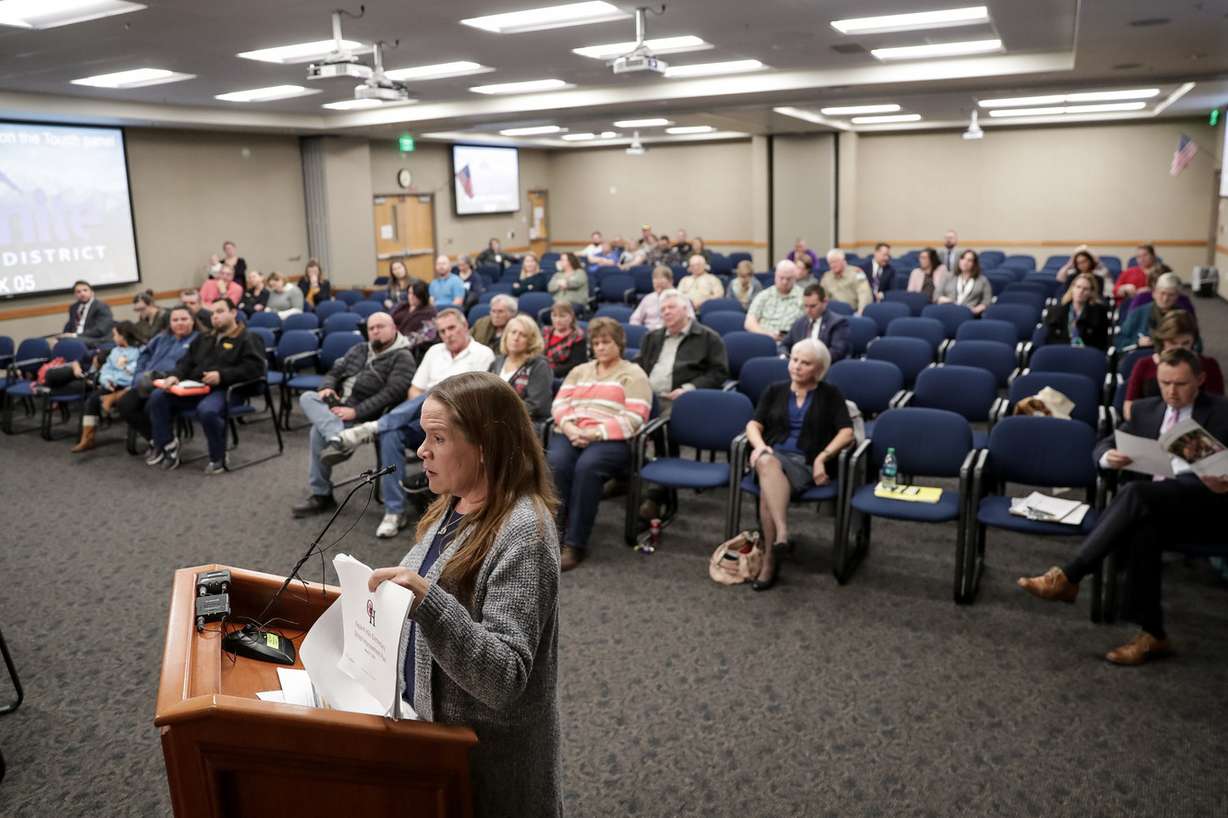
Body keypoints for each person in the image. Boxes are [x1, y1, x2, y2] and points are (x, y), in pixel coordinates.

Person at [365, 371, 562, 818]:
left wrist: (428, 602)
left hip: (487, 760)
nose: (421, 451)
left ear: (484, 446)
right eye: (423, 436)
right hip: (433, 737)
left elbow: (505, 677)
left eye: (438, 437)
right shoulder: (456, 500)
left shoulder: (524, 533)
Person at [1017, 348, 1228, 665]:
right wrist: (1107, 456)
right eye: (1165, 383)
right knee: (1144, 524)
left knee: (1136, 494)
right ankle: (1152, 634)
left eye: (1181, 384)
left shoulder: (1223, 412)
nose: (1172, 391)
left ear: (1200, 380)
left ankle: (1069, 575)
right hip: (1159, 503)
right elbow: (1105, 443)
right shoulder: (1146, 410)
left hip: (1210, 506)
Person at [334, 309, 495, 537]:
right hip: (423, 421)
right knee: (394, 431)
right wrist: (426, 414)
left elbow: (475, 398)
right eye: (442, 331)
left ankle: (374, 426)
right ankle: (394, 511)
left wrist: (434, 404)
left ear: (465, 326)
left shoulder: (483, 353)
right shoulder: (434, 351)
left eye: (452, 328)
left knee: (437, 392)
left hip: (458, 426)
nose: (447, 335)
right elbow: (414, 389)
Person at [744, 338, 855, 590]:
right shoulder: (775, 390)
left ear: (819, 369)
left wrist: (821, 458)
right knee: (765, 461)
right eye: (794, 360)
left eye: (805, 363)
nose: (797, 366)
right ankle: (781, 536)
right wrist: (760, 445)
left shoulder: (830, 394)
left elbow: (846, 432)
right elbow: (753, 424)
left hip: (803, 463)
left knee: (765, 487)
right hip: (771, 456)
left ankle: (771, 559)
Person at [548, 318, 652, 571]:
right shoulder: (579, 371)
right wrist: (572, 428)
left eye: (606, 342)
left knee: (587, 467)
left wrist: (594, 433)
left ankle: (575, 543)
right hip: (573, 431)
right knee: (556, 463)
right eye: (596, 343)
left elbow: (636, 417)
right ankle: (553, 537)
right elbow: (560, 404)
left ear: (619, 343)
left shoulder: (633, 374)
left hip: (611, 438)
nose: (600, 347)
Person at [292, 312, 418, 517]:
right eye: (371, 328)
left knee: (317, 431)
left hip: (368, 415)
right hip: (338, 406)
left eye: (381, 326)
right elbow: (335, 371)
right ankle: (338, 439)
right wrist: (327, 388)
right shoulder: (359, 349)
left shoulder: (402, 357)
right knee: (308, 397)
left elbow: (391, 393)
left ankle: (322, 493)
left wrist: (355, 412)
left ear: (394, 328)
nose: (375, 331)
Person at [144, 298, 266, 474]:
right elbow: (186, 363)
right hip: (197, 387)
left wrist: (222, 376)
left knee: (207, 410)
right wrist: (174, 376)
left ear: (233, 313)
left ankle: (218, 457)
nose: (215, 317)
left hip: (229, 389)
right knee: (158, 396)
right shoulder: (204, 338)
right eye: (213, 313)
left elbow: (255, 369)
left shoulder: (248, 338)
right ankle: (169, 445)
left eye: (220, 312)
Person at [116, 305, 199, 451]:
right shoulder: (162, 337)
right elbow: (144, 355)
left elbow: (191, 367)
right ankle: (157, 440)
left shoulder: (198, 340)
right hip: (146, 381)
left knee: (151, 406)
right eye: (175, 320)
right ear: (170, 322)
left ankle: (163, 442)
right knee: (124, 404)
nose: (179, 323)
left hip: (171, 385)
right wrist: (138, 375)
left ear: (193, 321)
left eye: (184, 319)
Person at [634, 290, 730, 416]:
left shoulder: (708, 338)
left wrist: (689, 389)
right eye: (662, 310)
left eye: (671, 307)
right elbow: (638, 364)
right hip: (647, 397)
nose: (666, 312)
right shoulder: (651, 337)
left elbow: (719, 372)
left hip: (681, 400)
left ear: (686, 309)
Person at [1124, 310, 1224, 420]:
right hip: (1150, 423)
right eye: (1173, 343)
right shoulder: (1144, 365)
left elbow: (1218, 407)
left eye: (1186, 343)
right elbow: (1129, 406)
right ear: (1162, 341)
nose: (1179, 349)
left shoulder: (1208, 365)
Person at [69, 321, 144, 453]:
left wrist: (118, 379)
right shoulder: (115, 351)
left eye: (115, 335)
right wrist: (107, 380)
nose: (113, 338)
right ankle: (87, 438)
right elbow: (106, 370)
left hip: (128, 385)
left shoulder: (140, 352)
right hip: (111, 385)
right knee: (91, 400)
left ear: (123, 336)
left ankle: (109, 403)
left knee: (126, 399)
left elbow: (135, 372)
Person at [489, 315, 553, 425]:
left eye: (523, 335)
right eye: (513, 332)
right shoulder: (497, 362)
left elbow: (536, 405)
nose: (516, 338)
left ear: (531, 340)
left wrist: (500, 414)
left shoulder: (539, 365)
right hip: (493, 420)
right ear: (506, 335)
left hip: (523, 424)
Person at [1116, 273, 1186, 351]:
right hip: (1141, 356)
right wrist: (1137, 342)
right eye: (1162, 293)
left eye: (1171, 295)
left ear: (1177, 296)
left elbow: (1197, 345)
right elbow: (1119, 341)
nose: (1165, 299)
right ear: (1154, 293)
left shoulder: (1184, 317)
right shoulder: (1138, 313)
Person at [1043, 272, 1110, 350]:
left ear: (1091, 292)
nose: (1081, 291)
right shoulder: (1056, 310)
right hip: (1060, 351)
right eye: (1078, 287)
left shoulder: (1099, 313)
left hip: (1086, 353)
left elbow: (1102, 342)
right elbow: (1048, 338)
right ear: (1072, 288)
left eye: (1085, 289)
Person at [783, 284, 850, 361]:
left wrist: (812, 360)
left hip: (824, 367)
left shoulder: (838, 323)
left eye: (812, 306)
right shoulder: (799, 323)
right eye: (805, 306)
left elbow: (838, 351)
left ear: (825, 302)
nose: (808, 310)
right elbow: (784, 345)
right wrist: (786, 356)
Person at [745, 260, 805, 342]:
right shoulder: (764, 295)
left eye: (789, 279)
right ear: (775, 276)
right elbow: (749, 322)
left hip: (791, 342)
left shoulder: (803, 296)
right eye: (781, 278)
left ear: (795, 278)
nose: (784, 282)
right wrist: (766, 334)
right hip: (764, 339)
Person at [631, 265, 694, 330]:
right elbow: (635, 319)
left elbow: (691, 320)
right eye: (656, 286)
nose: (659, 290)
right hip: (649, 333)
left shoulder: (682, 298)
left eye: (662, 286)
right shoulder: (648, 299)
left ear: (671, 281)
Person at [936, 250, 991, 315]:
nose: (965, 262)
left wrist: (976, 310)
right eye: (963, 258)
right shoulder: (948, 276)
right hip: (948, 310)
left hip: (969, 313)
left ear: (974, 263)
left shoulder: (982, 280)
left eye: (969, 260)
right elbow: (937, 295)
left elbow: (987, 301)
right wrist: (946, 300)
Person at [391, 279, 438, 355]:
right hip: (390, 339)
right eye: (409, 293)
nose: (411, 297)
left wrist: (400, 342)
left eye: (415, 294)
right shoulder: (402, 307)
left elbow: (428, 335)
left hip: (406, 348)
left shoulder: (429, 312)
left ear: (422, 295)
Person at [542, 301, 588, 379]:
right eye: (554, 315)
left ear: (571, 317)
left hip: (564, 377)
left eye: (562, 316)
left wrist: (549, 372)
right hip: (543, 372)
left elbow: (575, 365)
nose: (557, 320)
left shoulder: (578, 337)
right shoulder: (545, 332)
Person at [61, 280, 114, 347]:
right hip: (76, 338)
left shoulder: (101, 307)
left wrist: (75, 335)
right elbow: (70, 325)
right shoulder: (74, 307)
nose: (82, 293)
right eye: (78, 292)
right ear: (75, 295)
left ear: (92, 292)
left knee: (70, 343)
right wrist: (63, 335)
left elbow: (100, 330)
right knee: (56, 342)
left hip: (93, 339)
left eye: (85, 290)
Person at [819, 250, 873, 315]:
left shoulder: (856, 273)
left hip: (853, 312)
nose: (832, 265)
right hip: (833, 313)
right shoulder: (826, 277)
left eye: (835, 262)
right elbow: (822, 298)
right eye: (830, 263)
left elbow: (864, 295)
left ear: (843, 261)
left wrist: (860, 313)